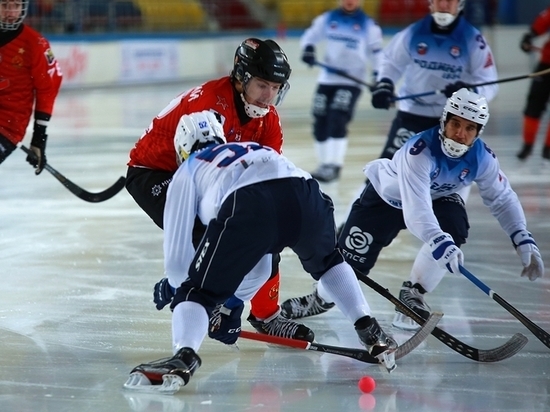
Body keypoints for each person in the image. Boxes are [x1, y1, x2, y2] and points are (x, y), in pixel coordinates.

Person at [124, 112, 397, 390]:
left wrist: (175, 285)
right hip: (306, 193)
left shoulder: (188, 169)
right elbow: (261, 264)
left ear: (182, 148)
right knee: (328, 262)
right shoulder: (252, 148)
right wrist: (232, 306)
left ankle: (183, 358)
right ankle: (368, 327)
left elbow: (178, 254)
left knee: (196, 292)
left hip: (250, 204)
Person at [281, 89, 545, 331]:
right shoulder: (419, 152)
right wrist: (439, 240)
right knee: (349, 267)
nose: (460, 134)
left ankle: (413, 291)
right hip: (386, 201)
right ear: (444, 121)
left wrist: (522, 237)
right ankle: (321, 298)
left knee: (454, 225)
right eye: (455, 124)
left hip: (439, 198)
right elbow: (416, 208)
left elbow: (502, 198)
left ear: (479, 132)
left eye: (469, 128)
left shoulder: (483, 158)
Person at [125, 37, 313, 342]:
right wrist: (223, 304)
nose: (269, 96)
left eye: (277, 88)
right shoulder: (210, 107)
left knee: (265, 234)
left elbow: (267, 182)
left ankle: (266, 314)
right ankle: (199, 296)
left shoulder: (268, 121)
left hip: (207, 174)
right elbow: (205, 181)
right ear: (241, 79)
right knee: (211, 234)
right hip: (158, 173)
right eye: (263, 85)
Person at [370, 0, 498, 160]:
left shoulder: (473, 39)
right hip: (412, 113)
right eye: (439, 0)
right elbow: (391, 62)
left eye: (449, 1)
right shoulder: (412, 32)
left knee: (447, 176)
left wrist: (469, 93)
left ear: (460, 4)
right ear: (431, 3)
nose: (443, 5)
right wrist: (385, 84)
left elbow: (489, 82)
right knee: (388, 169)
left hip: (452, 120)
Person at [300, 0, 383, 182]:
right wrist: (308, 49)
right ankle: (323, 164)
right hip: (327, 79)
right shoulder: (328, 19)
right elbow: (310, 36)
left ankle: (334, 165)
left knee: (337, 118)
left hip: (351, 82)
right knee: (319, 118)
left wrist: (378, 78)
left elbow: (377, 54)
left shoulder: (368, 25)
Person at [0, 0, 62, 173]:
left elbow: (47, 90)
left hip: (8, 127)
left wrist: (39, 138)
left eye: (16, 6)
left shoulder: (35, 43)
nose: (11, 12)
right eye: (5, 5)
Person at [517, 6, 550, 161]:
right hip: (546, 64)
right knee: (534, 104)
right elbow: (542, 21)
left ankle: (548, 148)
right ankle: (527, 145)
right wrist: (529, 36)